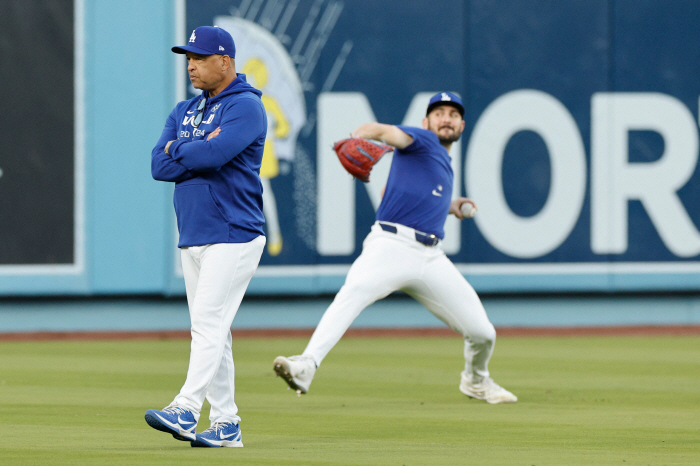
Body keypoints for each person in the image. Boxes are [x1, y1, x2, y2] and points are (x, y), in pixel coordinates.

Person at [273, 92, 517, 404]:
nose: (446, 118)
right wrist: (356, 136)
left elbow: (414, 196)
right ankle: (306, 365)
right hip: (390, 246)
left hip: (431, 257)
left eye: (453, 114)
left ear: (462, 125)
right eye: (439, 113)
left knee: (483, 333)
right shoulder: (423, 141)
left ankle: (476, 381)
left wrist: (451, 205)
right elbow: (381, 130)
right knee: (353, 293)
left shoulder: (441, 162)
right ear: (426, 123)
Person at [145, 26, 267, 448]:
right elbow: (158, 167)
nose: (191, 64)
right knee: (213, 328)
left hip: (234, 230)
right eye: (188, 57)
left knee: (209, 324)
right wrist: (188, 149)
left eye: (199, 57)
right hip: (194, 231)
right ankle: (226, 422)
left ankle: (185, 408)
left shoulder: (247, 107)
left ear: (226, 62)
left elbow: (214, 155)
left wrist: (180, 148)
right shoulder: (184, 109)